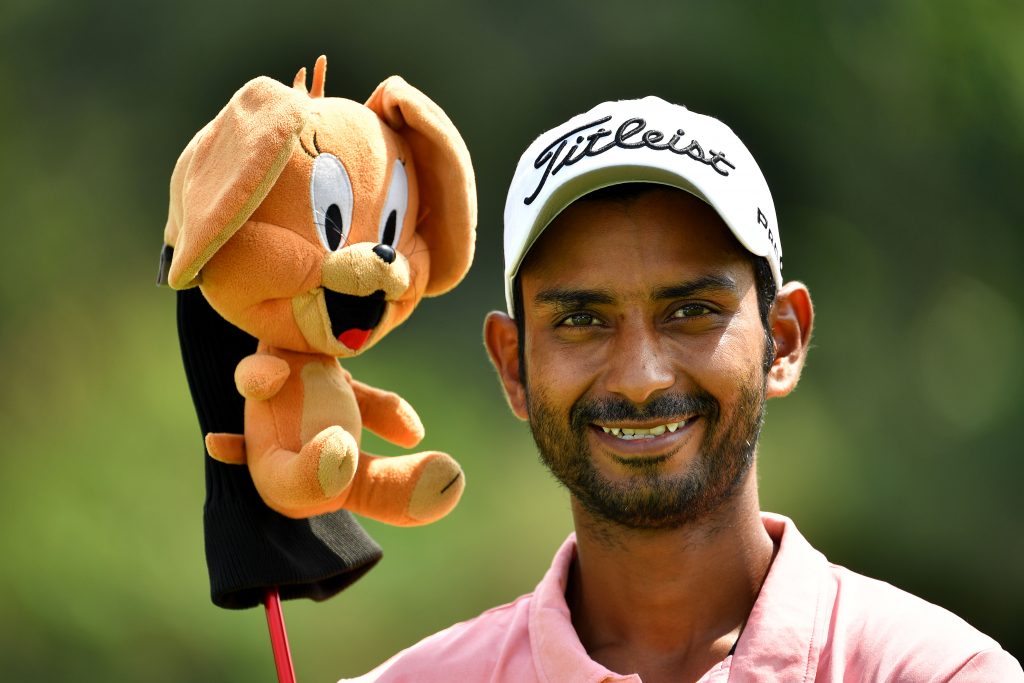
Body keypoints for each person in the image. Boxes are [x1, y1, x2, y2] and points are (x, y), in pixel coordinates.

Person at [343, 97, 1024, 682]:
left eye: (691, 311)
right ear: (513, 366)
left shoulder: (941, 672)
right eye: (581, 320)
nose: (641, 378)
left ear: (783, 340)